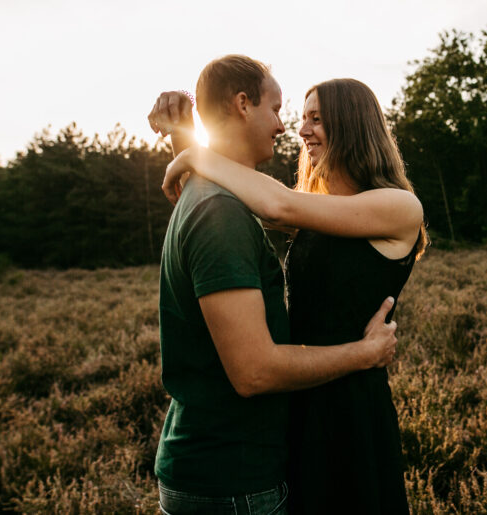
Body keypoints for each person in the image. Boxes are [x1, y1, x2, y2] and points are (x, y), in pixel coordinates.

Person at [147, 56, 401, 515]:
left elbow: (269, 204)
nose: (295, 128)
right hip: (298, 414)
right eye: (293, 114)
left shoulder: (399, 206)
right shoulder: (307, 210)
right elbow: (229, 208)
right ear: (243, 104)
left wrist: (193, 151)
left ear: (354, 122)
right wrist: (189, 129)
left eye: (315, 118)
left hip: (347, 409)